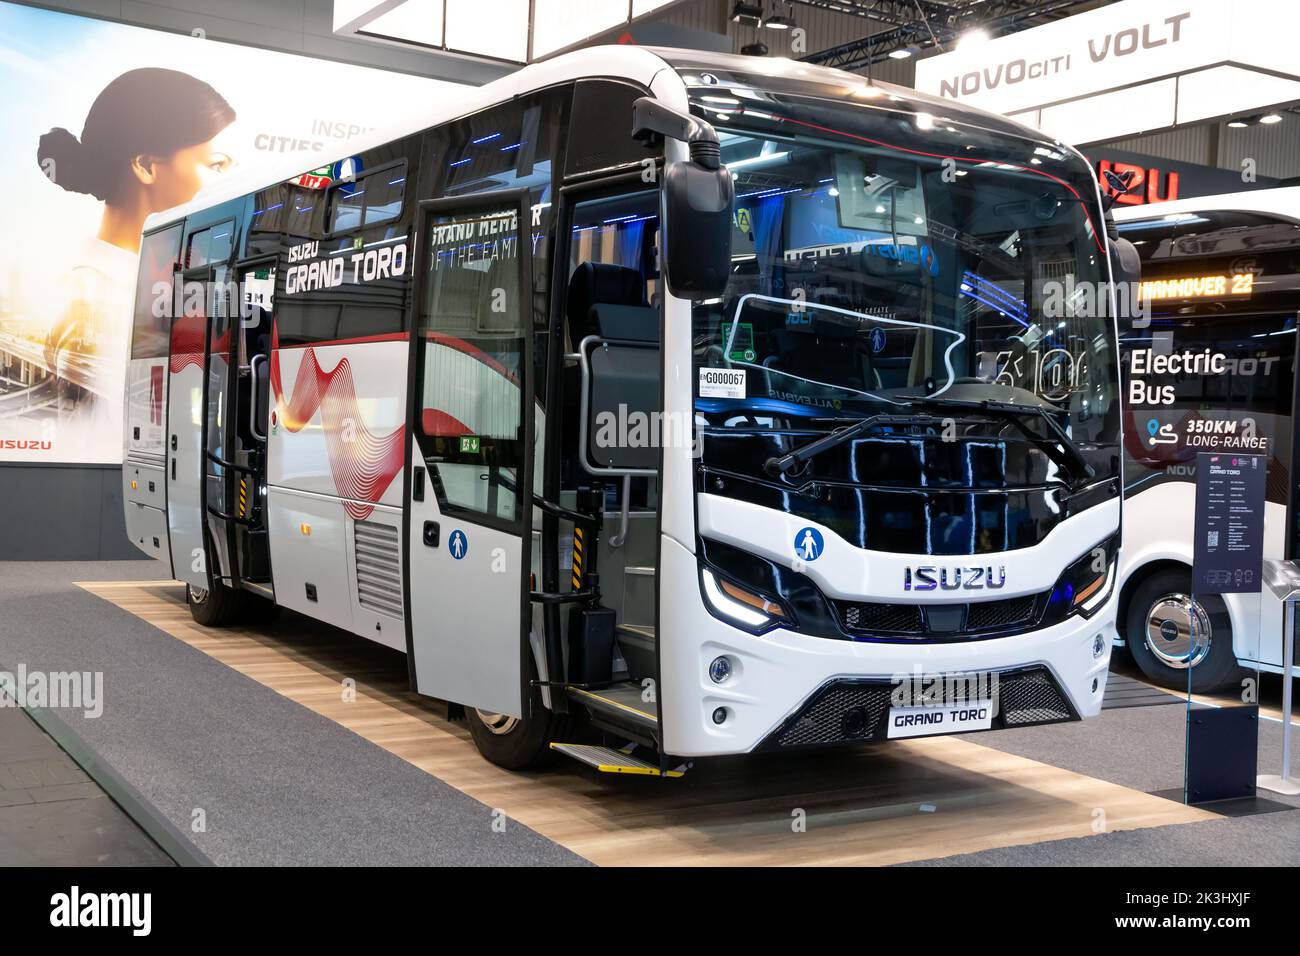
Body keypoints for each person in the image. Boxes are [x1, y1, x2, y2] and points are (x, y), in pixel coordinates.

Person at [30, 69, 237, 451]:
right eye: (216, 165)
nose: (229, 182)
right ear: (145, 166)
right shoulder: (100, 302)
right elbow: (99, 448)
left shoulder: (130, 285)